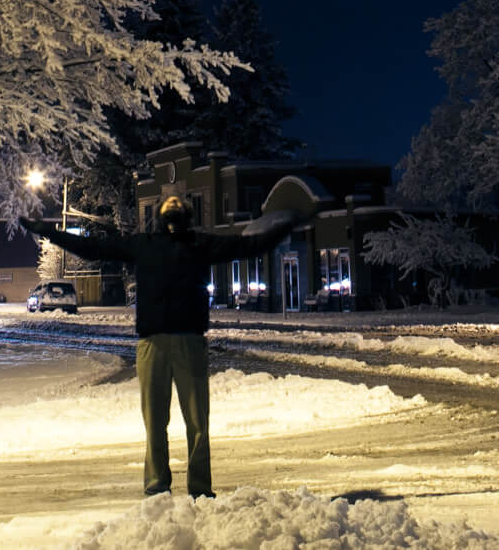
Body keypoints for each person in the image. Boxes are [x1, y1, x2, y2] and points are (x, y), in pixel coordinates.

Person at [39, 195, 304, 497]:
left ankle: (196, 488)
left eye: (178, 205)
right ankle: (159, 485)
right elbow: (94, 248)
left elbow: (249, 246)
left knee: (195, 423)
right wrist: (51, 233)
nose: (174, 207)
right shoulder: (152, 244)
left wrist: (282, 229)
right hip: (159, 342)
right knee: (158, 420)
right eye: (171, 204)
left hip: (182, 341)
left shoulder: (193, 244)